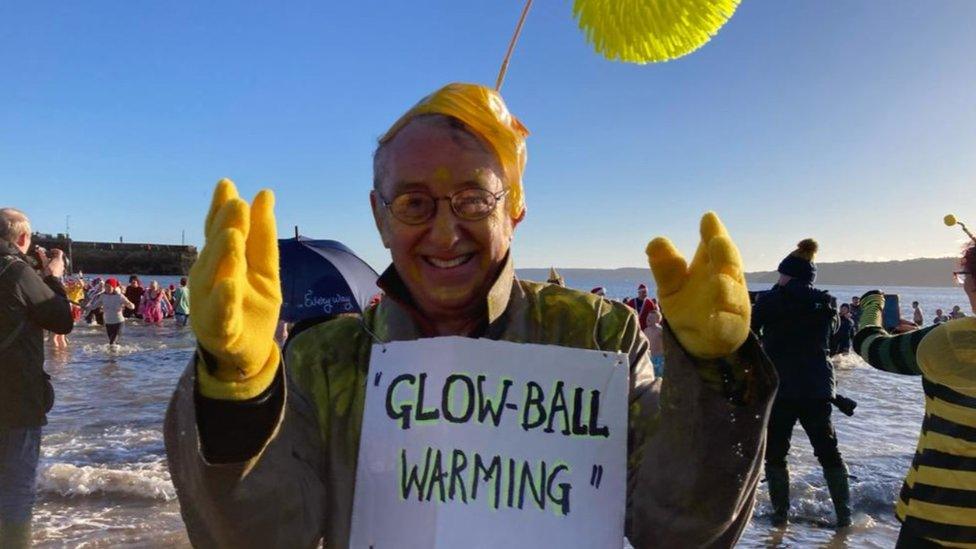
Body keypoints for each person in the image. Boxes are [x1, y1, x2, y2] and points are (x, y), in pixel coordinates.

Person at [164, 83, 776, 548]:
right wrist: (236, 390)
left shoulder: (595, 337)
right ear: (380, 217)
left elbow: (677, 528)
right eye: (414, 203)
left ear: (514, 210)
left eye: (473, 199)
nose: (445, 230)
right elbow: (262, 537)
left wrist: (718, 376)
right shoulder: (325, 360)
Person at [853, 241, 976, 547]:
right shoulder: (944, 343)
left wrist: (872, 306)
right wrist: (921, 339)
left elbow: (872, 347)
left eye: (964, 276)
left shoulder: (950, 340)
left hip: (939, 520)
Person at [751, 239, 851, 527]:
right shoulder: (826, 302)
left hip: (780, 389)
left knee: (776, 454)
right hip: (816, 388)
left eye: (781, 273)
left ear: (788, 274)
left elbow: (750, 334)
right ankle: (843, 516)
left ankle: (780, 515)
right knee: (829, 452)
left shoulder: (771, 300)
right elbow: (832, 336)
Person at [0, 208, 73, 547]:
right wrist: (54, 275)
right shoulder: (15, 271)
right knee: (16, 487)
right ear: (24, 238)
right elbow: (62, 320)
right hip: (14, 398)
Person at [86, 278, 135, 346]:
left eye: (109, 286)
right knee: (112, 343)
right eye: (106, 286)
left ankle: (113, 354)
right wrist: (87, 307)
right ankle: (115, 355)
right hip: (108, 322)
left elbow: (130, 305)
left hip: (119, 322)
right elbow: (95, 305)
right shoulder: (103, 296)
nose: (107, 288)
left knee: (112, 343)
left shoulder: (119, 296)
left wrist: (131, 305)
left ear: (114, 287)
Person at [642, 308, 665, 377]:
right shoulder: (646, 330)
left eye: (651, 317)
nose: (648, 319)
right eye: (648, 317)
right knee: (650, 376)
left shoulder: (660, 330)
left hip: (659, 358)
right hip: (649, 357)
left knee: (659, 377)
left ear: (658, 320)